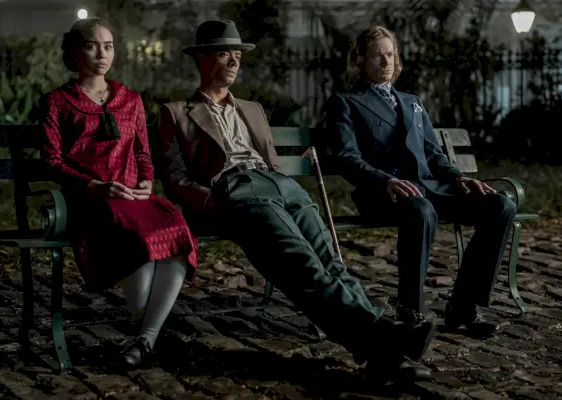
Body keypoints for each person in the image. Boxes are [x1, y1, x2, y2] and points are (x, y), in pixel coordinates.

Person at [156, 19, 436, 382]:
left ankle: (381, 352)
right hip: (235, 190)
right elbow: (175, 178)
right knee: (304, 264)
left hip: (281, 186)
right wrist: (214, 203)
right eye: (224, 53)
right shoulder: (176, 112)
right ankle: (386, 338)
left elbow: (270, 160)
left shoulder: (253, 109)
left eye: (237, 54)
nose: (234, 61)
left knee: (331, 262)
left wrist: (281, 183)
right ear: (202, 59)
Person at [325, 25, 516, 337]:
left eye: (390, 55)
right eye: (376, 56)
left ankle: (463, 306)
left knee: (500, 205)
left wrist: (458, 178)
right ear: (359, 60)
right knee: (421, 209)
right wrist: (385, 180)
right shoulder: (345, 102)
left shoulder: (411, 101)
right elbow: (346, 157)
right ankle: (410, 310)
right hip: (382, 192)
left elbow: (433, 153)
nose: (386, 62)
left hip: (428, 187)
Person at [40, 18, 198, 367]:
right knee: (130, 231)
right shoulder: (57, 102)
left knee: (175, 225)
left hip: (133, 196)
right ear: (75, 51)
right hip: (92, 199)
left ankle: (144, 339)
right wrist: (93, 185)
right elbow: (51, 161)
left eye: (108, 46)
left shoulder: (131, 100)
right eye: (92, 45)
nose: (102, 53)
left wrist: (146, 181)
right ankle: (152, 335)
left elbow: (143, 152)